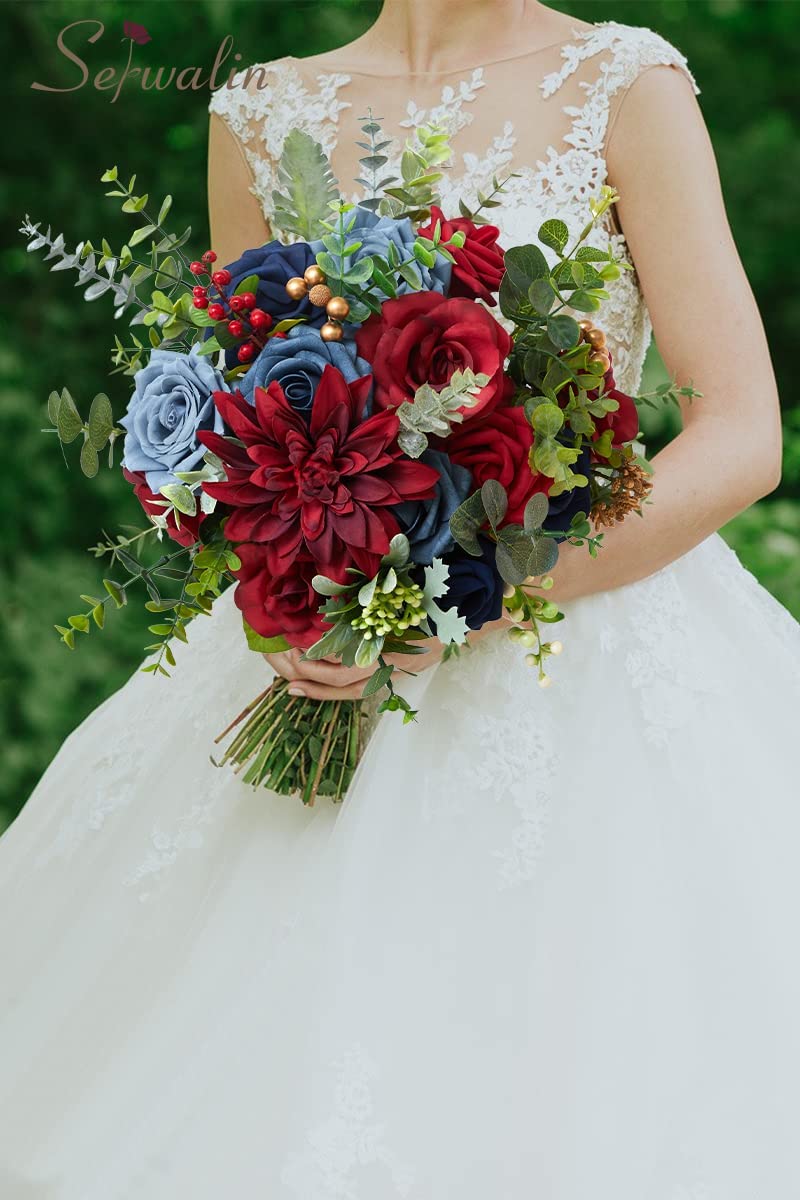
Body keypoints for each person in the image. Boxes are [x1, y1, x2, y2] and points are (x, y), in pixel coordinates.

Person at [1, 2, 798, 1196]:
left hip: (587, 658)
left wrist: (480, 594)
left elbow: (739, 430)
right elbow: (242, 434)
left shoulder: (625, 82)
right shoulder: (260, 110)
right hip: (331, 665)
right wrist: (282, 600)